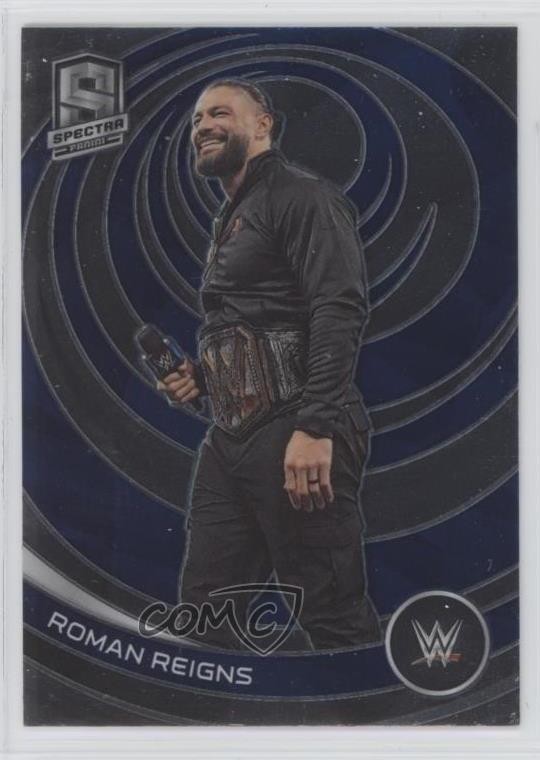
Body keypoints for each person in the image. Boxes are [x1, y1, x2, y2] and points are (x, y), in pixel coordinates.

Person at [158, 78, 381, 651]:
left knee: (333, 616)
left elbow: (338, 306)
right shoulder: (235, 213)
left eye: (219, 113)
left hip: (296, 427)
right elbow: (260, 319)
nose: (202, 126)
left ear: (263, 125)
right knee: (205, 616)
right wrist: (204, 377)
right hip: (231, 439)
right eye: (196, 119)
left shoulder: (303, 196)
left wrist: (316, 427)